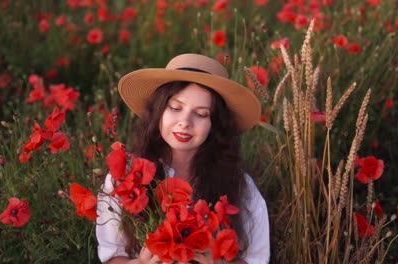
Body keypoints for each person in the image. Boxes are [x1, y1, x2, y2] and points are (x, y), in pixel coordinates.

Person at [96, 53, 270, 264]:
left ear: (215, 125)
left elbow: (256, 258)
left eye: (202, 114)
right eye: (175, 108)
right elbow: (111, 256)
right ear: (158, 111)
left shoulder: (240, 185)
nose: (185, 122)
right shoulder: (123, 179)